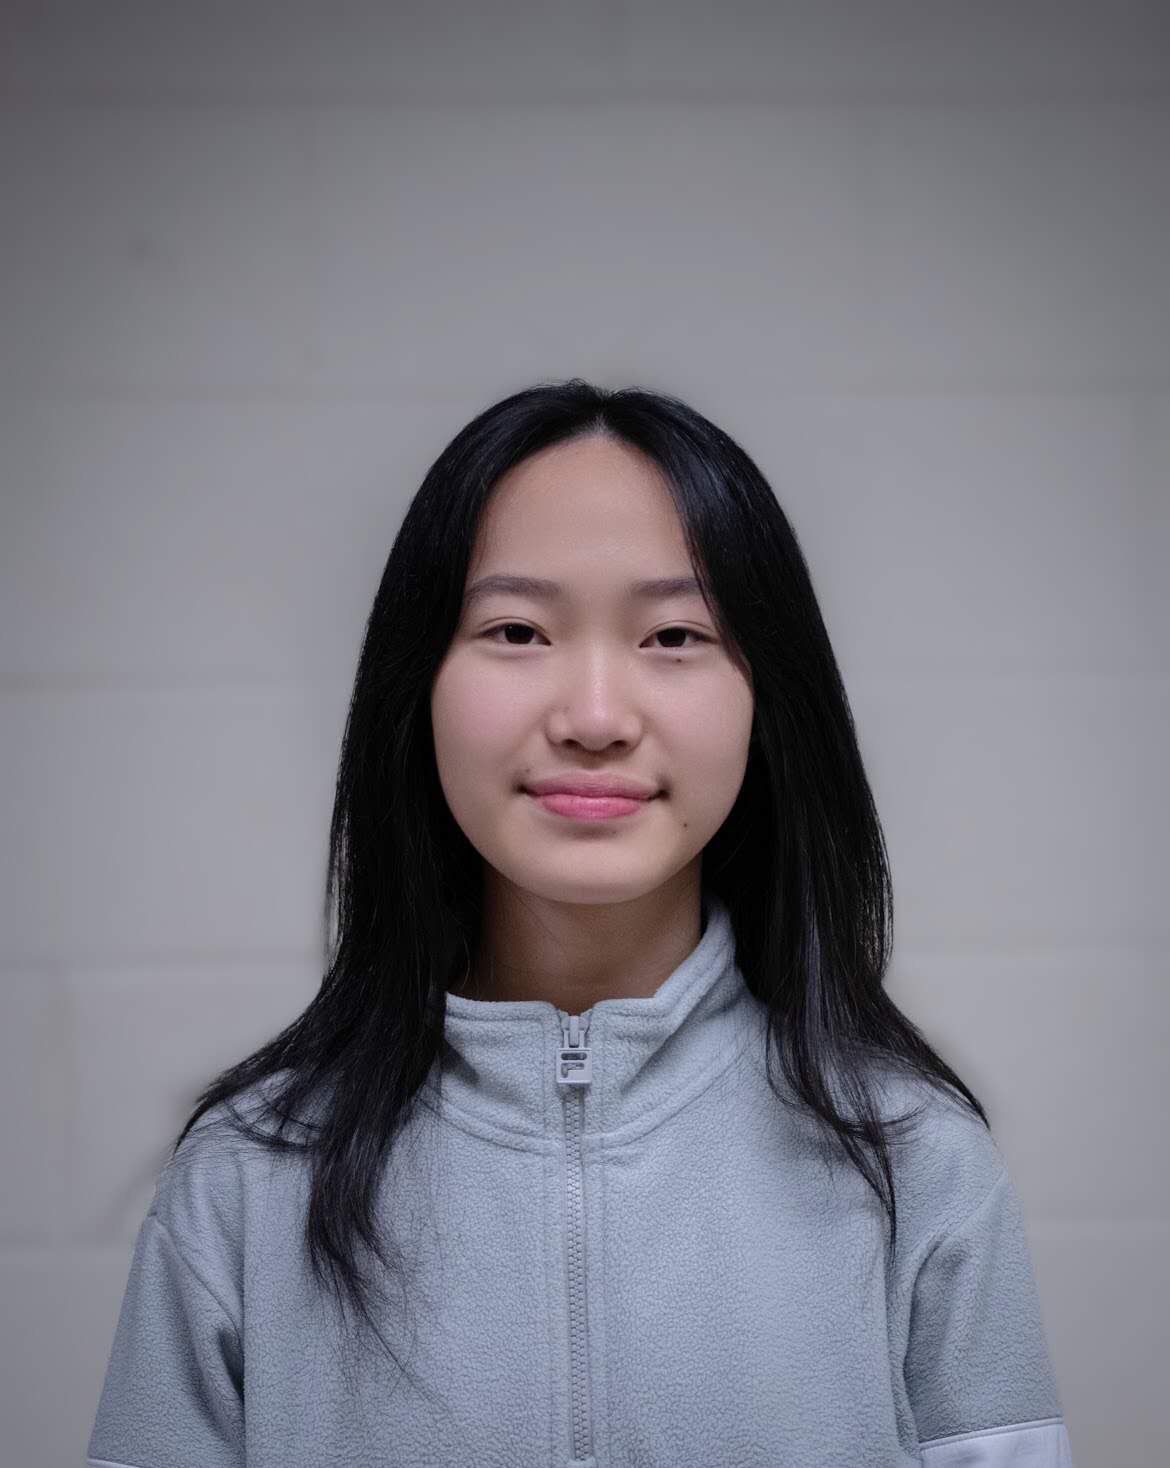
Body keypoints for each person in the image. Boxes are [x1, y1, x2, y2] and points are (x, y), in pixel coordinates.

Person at [87, 379, 1074, 1467]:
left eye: (674, 634)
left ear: (767, 697)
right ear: (416, 681)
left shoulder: (915, 1160)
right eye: (516, 629)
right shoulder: (245, 1179)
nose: (596, 717)